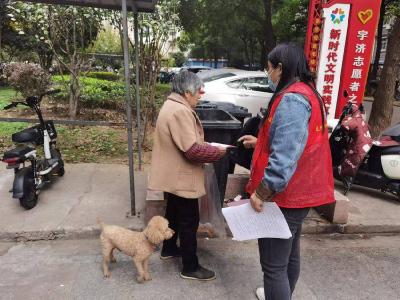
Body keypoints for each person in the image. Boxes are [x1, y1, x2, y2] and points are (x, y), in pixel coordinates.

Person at [238, 43, 335, 300]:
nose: (267, 73)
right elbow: (297, 143)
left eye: (269, 68)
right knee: (289, 254)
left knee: (273, 266)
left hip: (284, 196)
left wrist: (262, 192)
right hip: (300, 193)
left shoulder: (292, 99)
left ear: (280, 68)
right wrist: (259, 143)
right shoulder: (307, 93)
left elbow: (284, 157)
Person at [148, 70, 226, 281]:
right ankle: (190, 267)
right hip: (182, 176)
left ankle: (169, 248)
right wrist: (220, 151)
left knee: (173, 212)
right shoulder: (180, 111)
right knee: (189, 220)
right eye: (197, 92)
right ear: (186, 91)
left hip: (173, 174)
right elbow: (193, 150)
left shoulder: (171, 105)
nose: (200, 96)